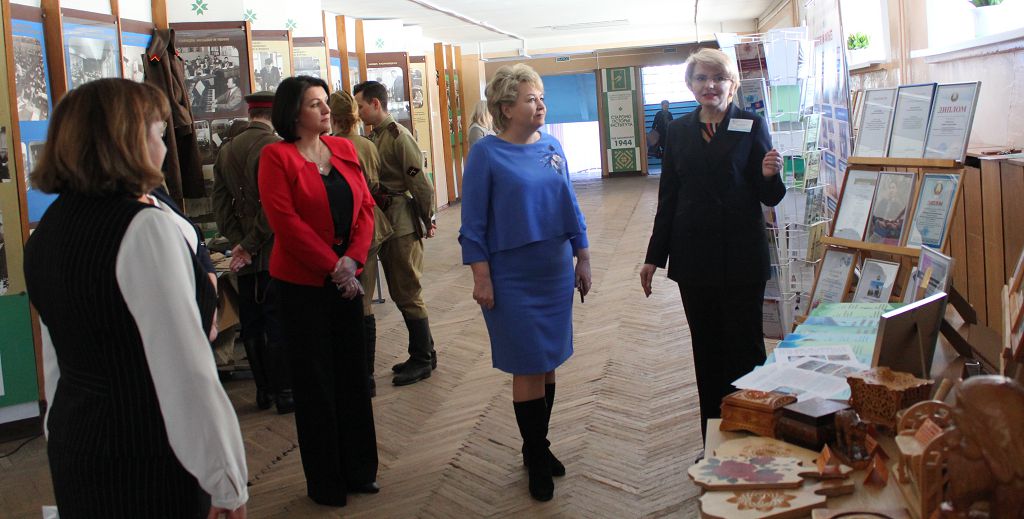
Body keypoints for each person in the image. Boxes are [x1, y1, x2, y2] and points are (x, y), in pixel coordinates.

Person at [23, 78, 247, 518]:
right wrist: (226, 481)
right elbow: (185, 371)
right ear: (127, 142)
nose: (164, 148)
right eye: (158, 134)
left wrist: (58, 431)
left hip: (76, 442)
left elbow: (56, 358)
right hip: (147, 450)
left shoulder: (48, 230)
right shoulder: (144, 227)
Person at [639, 48, 786, 444]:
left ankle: (752, 438)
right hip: (695, 260)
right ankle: (715, 443)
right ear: (690, 85)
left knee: (746, 351)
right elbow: (669, 197)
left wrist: (769, 176)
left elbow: (769, 196)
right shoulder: (679, 131)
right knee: (706, 353)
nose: (710, 85)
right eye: (701, 78)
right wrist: (654, 257)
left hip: (741, 258)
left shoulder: (751, 124)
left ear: (732, 84)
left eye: (718, 78)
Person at [459, 63, 591, 502]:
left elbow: (570, 204)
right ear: (505, 107)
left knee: (547, 361)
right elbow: (473, 223)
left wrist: (583, 256)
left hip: (553, 269)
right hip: (511, 275)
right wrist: (481, 277)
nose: (540, 105)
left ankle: (538, 445)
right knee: (528, 364)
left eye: (541, 98)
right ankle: (536, 456)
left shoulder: (552, 146)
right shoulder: (486, 153)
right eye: (530, 99)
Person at [258, 76, 379, 506]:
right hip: (303, 286)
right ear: (294, 113)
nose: (327, 110)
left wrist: (353, 261)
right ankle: (327, 482)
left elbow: (366, 209)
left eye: (325, 102)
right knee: (315, 383)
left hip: (347, 280)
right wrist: (334, 266)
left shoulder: (343, 149)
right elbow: (286, 224)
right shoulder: (276, 157)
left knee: (352, 375)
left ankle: (360, 470)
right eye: (315, 104)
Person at [213, 91, 294, 413]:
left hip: (243, 254)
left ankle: (264, 391)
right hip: (274, 249)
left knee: (252, 322)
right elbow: (276, 207)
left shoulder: (226, 150)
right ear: (274, 115)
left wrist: (240, 244)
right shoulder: (276, 147)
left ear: (250, 114)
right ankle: (285, 391)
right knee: (278, 320)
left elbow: (221, 209)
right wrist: (251, 244)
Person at [354, 80, 438, 387]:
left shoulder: (397, 136)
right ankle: (425, 352)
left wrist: (427, 217)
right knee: (402, 291)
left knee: (407, 291)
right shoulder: (376, 136)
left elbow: (421, 184)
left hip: (401, 222)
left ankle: (422, 360)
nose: (358, 112)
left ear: (376, 104)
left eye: (361, 106)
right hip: (386, 221)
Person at [329, 89, 394, 397]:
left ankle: (358, 372)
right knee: (364, 298)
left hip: (348, 226)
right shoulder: (367, 145)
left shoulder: (331, 146)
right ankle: (365, 375)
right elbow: (375, 182)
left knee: (351, 300)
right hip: (371, 226)